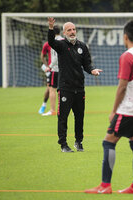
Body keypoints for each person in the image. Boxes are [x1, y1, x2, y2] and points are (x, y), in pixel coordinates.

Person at [84, 19, 133, 194]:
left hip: (128, 109)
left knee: (108, 142)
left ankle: (105, 185)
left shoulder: (127, 56)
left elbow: (122, 87)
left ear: (125, 37)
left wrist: (114, 110)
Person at [47, 17, 102, 152]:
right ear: (64, 33)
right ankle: (63, 144)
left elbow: (87, 64)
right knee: (63, 117)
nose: (72, 32)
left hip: (79, 88)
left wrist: (92, 70)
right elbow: (50, 42)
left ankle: (78, 142)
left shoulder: (82, 46)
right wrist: (50, 28)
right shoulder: (61, 45)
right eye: (69, 30)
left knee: (79, 117)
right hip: (66, 88)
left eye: (73, 29)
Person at [42, 25, 63, 116]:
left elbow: (55, 57)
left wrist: (49, 67)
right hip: (64, 69)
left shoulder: (54, 42)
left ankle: (52, 110)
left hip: (55, 69)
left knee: (52, 89)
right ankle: (71, 110)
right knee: (66, 90)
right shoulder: (64, 40)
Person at [38, 40, 51, 114]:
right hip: (51, 70)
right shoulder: (47, 44)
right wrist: (47, 66)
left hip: (61, 69)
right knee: (49, 88)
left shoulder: (62, 42)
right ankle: (44, 105)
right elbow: (42, 56)